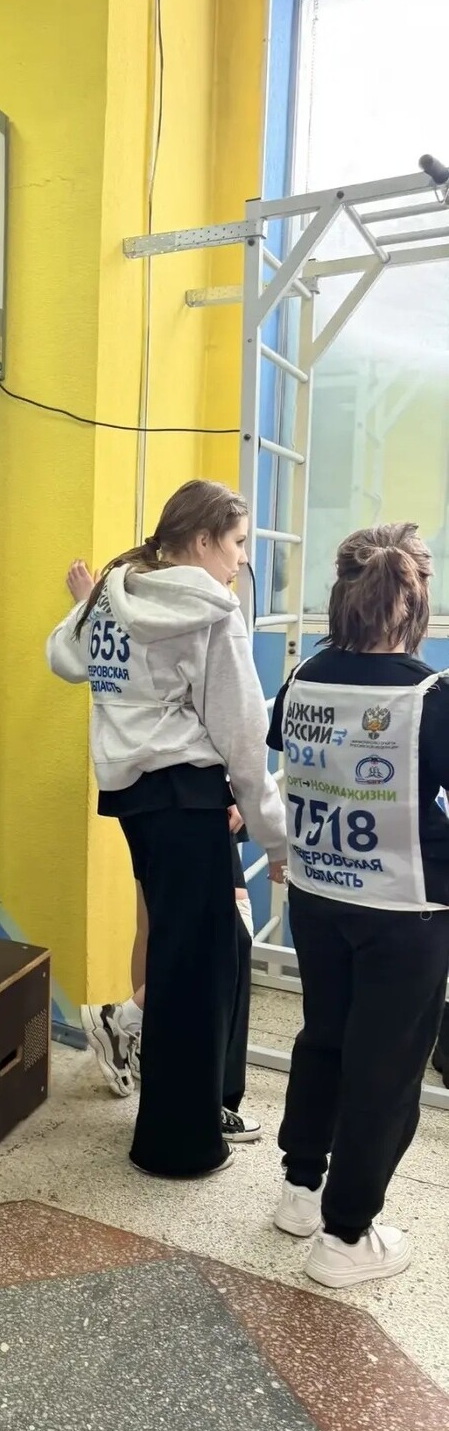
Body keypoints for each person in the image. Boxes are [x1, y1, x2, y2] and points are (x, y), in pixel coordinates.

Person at [47, 479, 286, 1178]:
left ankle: (190, 1119)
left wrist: (83, 604)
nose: (241, 559)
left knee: (191, 955)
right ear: (203, 539)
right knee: (195, 971)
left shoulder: (116, 592)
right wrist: (275, 838)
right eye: (237, 542)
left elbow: (63, 658)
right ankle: (179, 1146)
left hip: (135, 798)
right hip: (187, 798)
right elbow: (243, 737)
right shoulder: (210, 609)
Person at [269, 523, 449, 1288]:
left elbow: (292, 758)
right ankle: (346, 1235)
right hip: (404, 912)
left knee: (323, 1039)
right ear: (414, 603)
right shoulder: (428, 696)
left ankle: (299, 1189)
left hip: (317, 895)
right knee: (385, 1070)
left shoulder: (302, 678)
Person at [81, 806, 256, 1129]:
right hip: (197, 797)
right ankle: (122, 1020)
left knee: (153, 921)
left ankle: (141, 1036)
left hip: (146, 797)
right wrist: (238, 792)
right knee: (226, 934)